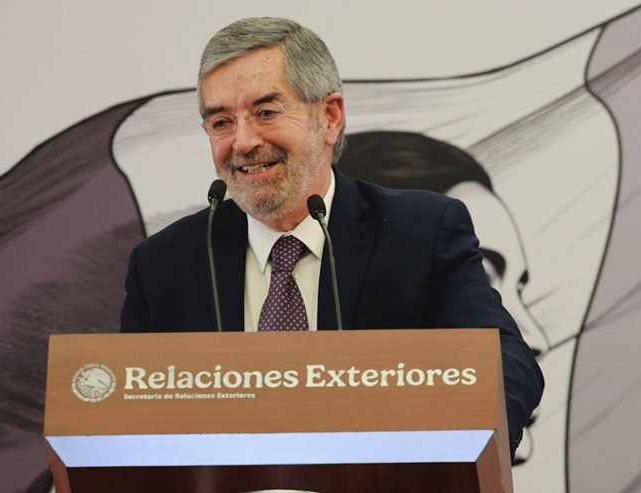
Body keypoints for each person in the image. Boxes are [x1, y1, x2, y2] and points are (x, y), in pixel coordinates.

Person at [119, 16, 543, 456]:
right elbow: (126, 417)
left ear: (329, 117)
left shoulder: (419, 233)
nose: (242, 142)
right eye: (221, 122)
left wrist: (455, 452)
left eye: (266, 113)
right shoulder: (164, 264)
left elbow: (504, 360)